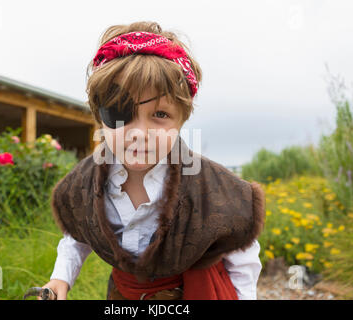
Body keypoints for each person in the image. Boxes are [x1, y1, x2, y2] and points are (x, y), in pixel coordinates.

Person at [39, 21, 265, 300]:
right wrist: (60, 278)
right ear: (100, 117)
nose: (140, 133)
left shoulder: (213, 187)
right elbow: (78, 235)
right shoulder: (86, 181)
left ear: (182, 118)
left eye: (160, 115)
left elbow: (241, 257)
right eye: (121, 114)